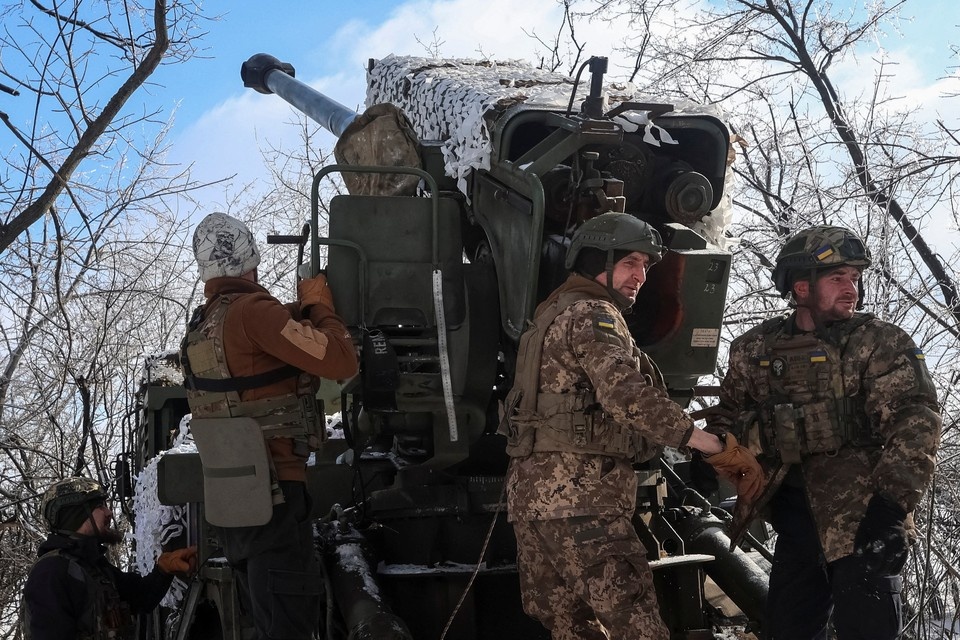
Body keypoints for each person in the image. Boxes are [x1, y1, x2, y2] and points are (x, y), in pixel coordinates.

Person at [499, 212, 761, 640]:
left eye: (645, 266)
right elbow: (627, 395)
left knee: (571, 628)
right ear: (595, 260)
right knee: (637, 627)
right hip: (583, 501)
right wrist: (707, 444)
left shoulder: (550, 315)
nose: (641, 276)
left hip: (533, 504)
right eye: (630, 263)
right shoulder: (594, 313)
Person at [706, 225, 942, 639]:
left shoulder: (879, 343)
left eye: (855, 278)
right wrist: (720, 462)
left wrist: (889, 512)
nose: (851, 288)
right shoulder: (755, 349)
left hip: (864, 523)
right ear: (801, 288)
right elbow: (728, 417)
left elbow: (916, 424)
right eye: (838, 278)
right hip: (795, 525)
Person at [180, 212, 358, 640]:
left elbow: (262, 348)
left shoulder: (203, 327)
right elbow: (341, 359)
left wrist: (295, 312)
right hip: (277, 499)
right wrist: (319, 306)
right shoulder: (252, 313)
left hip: (236, 506)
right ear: (250, 258)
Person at [22, 477, 197, 640]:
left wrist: (163, 570)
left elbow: (140, 598)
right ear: (75, 515)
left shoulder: (92, 566)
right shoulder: (51, 572)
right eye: (100, 506)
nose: (109, 513)